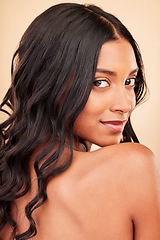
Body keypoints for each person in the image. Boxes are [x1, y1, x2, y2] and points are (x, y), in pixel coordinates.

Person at [0, 3, 160, 240]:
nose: (126, 104)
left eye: (130, 81)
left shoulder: (8, 180)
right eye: (100, 82)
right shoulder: (133, 167)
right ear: (47, 81)